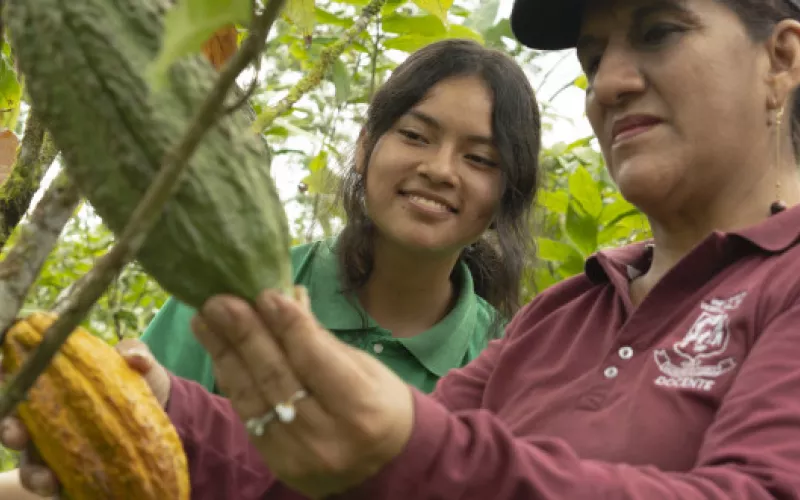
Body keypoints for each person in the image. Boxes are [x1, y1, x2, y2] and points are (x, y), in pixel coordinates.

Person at [102, 0, 800, 497]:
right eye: (593, 58)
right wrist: (167, 410)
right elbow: (348, 464)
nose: (609, 84)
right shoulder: (561, 314)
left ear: (782, 58)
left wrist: (410, 445)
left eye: (659, 31)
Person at [0, 38, 542, 498]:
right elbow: (120, 451)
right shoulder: (231, 294)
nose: (438, 169)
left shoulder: (508, 361)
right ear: (364, 147)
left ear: (506, 194)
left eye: (480, 159)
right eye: (416, 135)